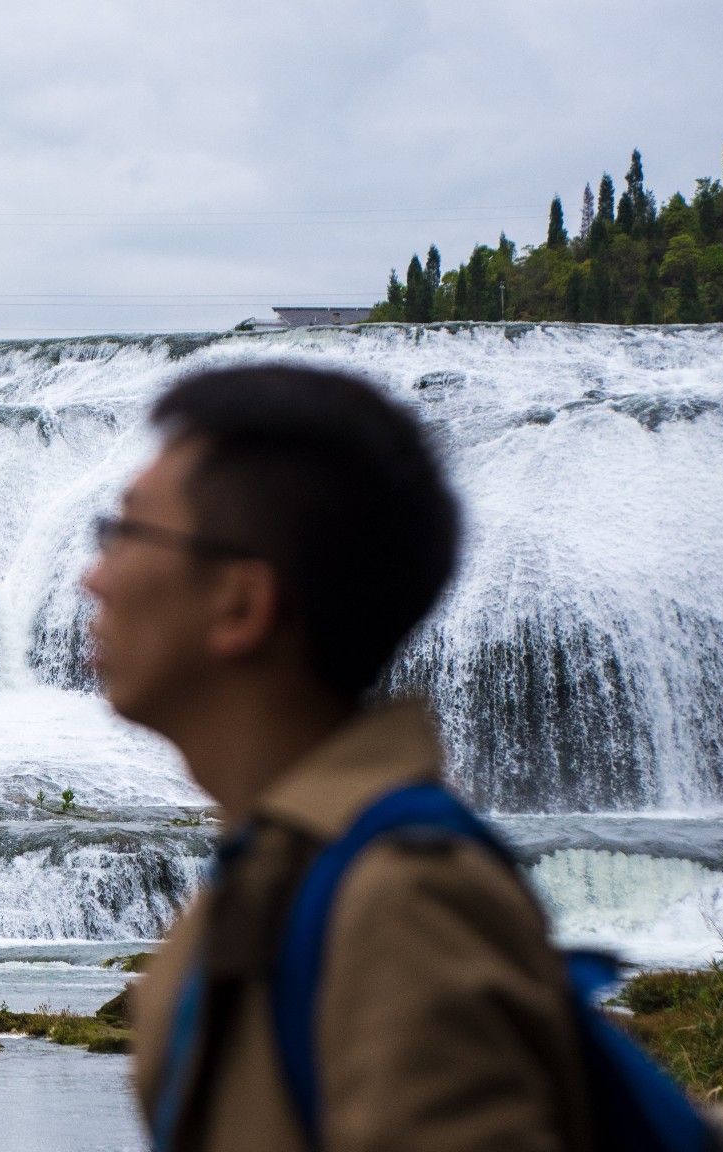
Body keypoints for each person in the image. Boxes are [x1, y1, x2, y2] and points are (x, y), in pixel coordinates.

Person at [84, 363, 591, 1152]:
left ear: (243, 604)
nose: (94, 576)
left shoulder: (405, 901)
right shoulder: (274, 870)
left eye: (125, 533)